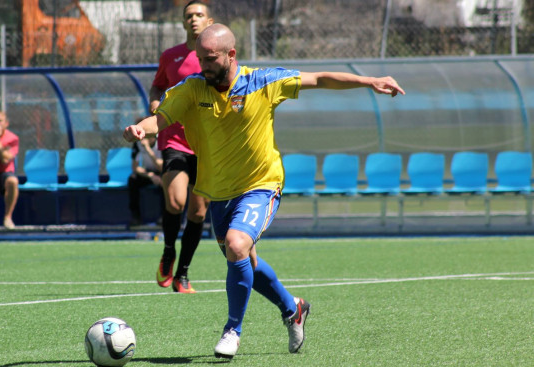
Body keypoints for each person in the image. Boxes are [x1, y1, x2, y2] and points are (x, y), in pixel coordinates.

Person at [123, 24, 405, 359]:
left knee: (236, 245)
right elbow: (162, 117)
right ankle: (293, 308)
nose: (203, 65)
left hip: (261, 185)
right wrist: (142, 127)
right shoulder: (192, 87)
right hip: (218, 193)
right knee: (245, 260)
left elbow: (321, 78)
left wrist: (369, 81)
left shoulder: (262, 81)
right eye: (200, 58)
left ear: (231, 55)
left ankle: (232, 331)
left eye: (210, 58)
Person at [149, 0, 213, 294]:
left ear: (209, 21)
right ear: (183, 22)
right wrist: (155, 104)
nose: (194, 19)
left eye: (199, 14)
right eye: (189, 15)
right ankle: (167, 250)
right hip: (175, 140)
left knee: (198, 213)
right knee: (175, 202)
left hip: (208, 144)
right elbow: (158, 87)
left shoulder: (217, 57)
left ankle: (183, 274)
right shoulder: (171, 56)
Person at [128, 136, 163, 226]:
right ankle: (136, 217)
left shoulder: (163, 141)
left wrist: (147, 148)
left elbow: (160, 167)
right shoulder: (137, 143)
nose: (145, 139)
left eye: (149, 135)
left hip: (162, 172)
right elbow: (135, 167)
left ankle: (164, 217)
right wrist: (150, 176)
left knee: (165, 182)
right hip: (148, 174)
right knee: (132, 179)